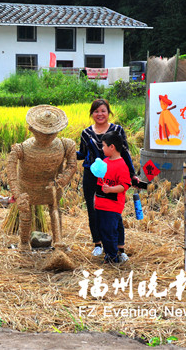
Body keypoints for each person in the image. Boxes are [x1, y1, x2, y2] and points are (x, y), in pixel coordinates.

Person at [7, 105, 77, 250]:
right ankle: (24, 243)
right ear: (31, 129)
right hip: (27, 189)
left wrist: (63, 179)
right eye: (43, 133)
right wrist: (17, 194)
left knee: (55, 211)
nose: (47, 137)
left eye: (51, 133)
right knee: (26, 214)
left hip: (51, 188)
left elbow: (72, 165)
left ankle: (58, 242)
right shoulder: (22, 148)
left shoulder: (65, 145)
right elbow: (11, 170)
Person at [77, 99, 138, 261]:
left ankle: (120, 248)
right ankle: (98, 244)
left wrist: (132, 174)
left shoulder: (117, 130)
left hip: (113, 175)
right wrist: (63, 151)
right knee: (93, 209)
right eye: (96, 111)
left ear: (108, 112)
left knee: (114, 212)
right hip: (92, 175)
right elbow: (82, 154)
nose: (100, 114)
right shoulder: (86, 133)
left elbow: (124, 152)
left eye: (103, 111)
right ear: (92, 114)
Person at [95, 131, 132, 263]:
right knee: (105, 229)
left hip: (112, 206)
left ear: (112, 147)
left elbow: (125, 185)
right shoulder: (104, 162)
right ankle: (112, 252)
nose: (102, 148)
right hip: (100, 203)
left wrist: (110, 189)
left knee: (109, 231)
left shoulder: (121, 165)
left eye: (104, 145)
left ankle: (112, 256)